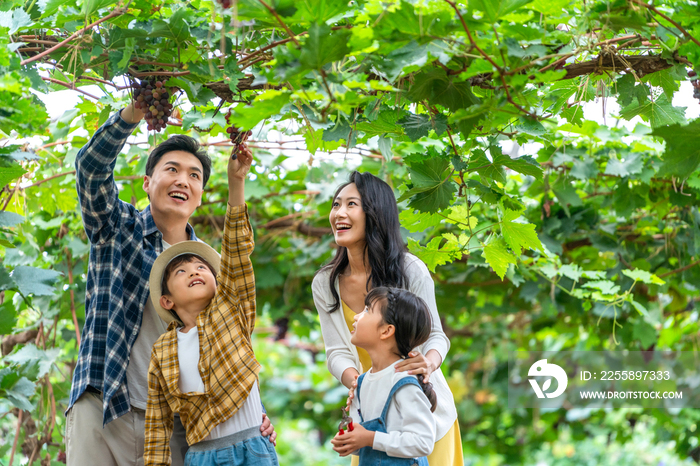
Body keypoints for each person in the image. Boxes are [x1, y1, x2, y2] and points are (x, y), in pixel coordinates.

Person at [66, 102, 274, 466]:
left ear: (200, 194)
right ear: (147, 183)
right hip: (103, 404)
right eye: (172, 170)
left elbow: (228, 348)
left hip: (177, 421)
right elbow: (90, 169)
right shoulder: (117, 228)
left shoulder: (206, 272)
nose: (183, 180)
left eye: (194, 175)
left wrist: (249, 408)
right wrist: (132, 113)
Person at [312, 171, 463, 466]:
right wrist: (359, 384)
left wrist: (428, 364)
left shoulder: (411, 270)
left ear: (375, 213)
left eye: (351, 205)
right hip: (372, 421)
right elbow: (337, 352)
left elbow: (436, 336)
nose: (339, 213)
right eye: (335, 204)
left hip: (425, 418)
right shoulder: (325, 283)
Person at [144, 147, 278, 466]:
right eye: (181, 270)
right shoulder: (163, 351)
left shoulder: (232, 311)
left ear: (220, 283)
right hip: (200, 456)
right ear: (167, 301)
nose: (194, 270)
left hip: (252, 447)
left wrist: (236, 183)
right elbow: (157, 426)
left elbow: (236, 251)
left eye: (203, 267)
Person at [331, 287, 437, 465]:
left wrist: (370, 438)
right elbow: (362, 441)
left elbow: (423, 442)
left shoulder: (403, 382)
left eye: (367, 310)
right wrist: (349, 441)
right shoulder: (361, 383)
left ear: (386, 331)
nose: (356, 316)